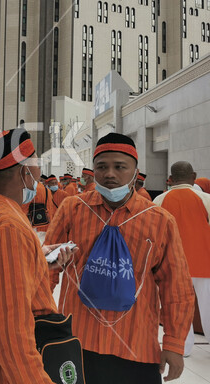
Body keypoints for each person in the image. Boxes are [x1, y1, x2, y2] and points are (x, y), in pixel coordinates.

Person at [45, 133, 195, 384]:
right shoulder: (73, 209)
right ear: (94, 171)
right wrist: (39, 319)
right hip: (76, 344)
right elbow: (47, 268)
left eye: (119, 167)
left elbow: (175, 286)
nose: (110, 174)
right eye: (102, 167)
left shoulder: (158, 220)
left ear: (135, 172)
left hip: (136, 348)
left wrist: (174, 343)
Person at [0, 129, 72, 383]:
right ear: (24, 170)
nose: (40, 172)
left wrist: (39, 260)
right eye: (37, 163)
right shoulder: (8, 226)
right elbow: (11, 334)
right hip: (3, 373)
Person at [153, 161, 210, 357]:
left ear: (170, 179)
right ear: (194, 176)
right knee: (208, 306)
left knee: (179, 307)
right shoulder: (206, 198)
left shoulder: (159, 200)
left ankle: (183, 349)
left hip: (173, 265)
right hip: (205, 263)